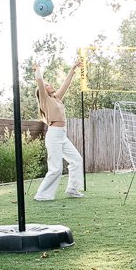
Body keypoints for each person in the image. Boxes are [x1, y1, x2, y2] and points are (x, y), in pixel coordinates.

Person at [33, 59, 84, 201]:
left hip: (62, 135)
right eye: (47, 85)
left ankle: (72, 189)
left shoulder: (56, 98)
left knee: (76, 160)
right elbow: (39, 81)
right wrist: (38, 69)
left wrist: (73, 68)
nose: (50, 85)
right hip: (54, 135)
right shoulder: (44, 99)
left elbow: (66, 84)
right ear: (43, 89)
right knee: (56, 168)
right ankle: (42, 195)